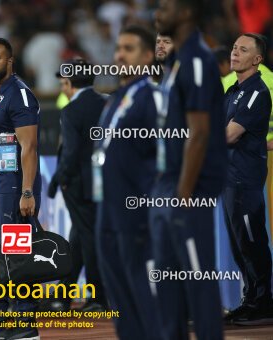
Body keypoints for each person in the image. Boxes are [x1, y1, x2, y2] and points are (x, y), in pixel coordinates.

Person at [153, 0, 227, 338]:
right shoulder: (177, 63)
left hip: (189, 190)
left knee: (198, 281)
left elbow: (198, 134)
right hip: (170, 186)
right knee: (168, 287)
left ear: (185, 13)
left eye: (165, 8)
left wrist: (183, 195)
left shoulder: (197, 59)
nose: (157, 14)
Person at [94, 25, 163, 340]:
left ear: (148, 56)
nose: (120, 55)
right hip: (108, 211)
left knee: (144, 295)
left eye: (129, 49)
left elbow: (166, 158)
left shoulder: (154, 98)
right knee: (119, 293)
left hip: (138, 213)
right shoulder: (116, 98)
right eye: (118, 48)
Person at [0, 37, 41, 340]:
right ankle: (13, 317)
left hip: (15, 188)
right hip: (0, 186)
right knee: (4, 256)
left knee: (17, 254)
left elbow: (29, 148)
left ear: (9, 62)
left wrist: (27, 191)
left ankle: (26, 324)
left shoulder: (20, 95)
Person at [49, 58, 108, 312]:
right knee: (80, 236)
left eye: (63, 82)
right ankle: (62, 295)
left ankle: (97, 297)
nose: (62, 88)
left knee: (88, 238)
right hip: (106, 182)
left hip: (80, 184)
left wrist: (60, 179)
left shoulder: (72, 110)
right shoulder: (108, 103)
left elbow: (70, 152)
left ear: (69, 83)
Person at [222, 33, 273, 325]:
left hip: (244, 179)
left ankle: (263, 300)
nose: (235, 53)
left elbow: (229, 134)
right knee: (239, 243)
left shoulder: (256, 91)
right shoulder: (233, 90)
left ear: (257, 59)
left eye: (243, 50)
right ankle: (251, 297)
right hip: (229, 178)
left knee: (251, 241)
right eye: (233, 48)